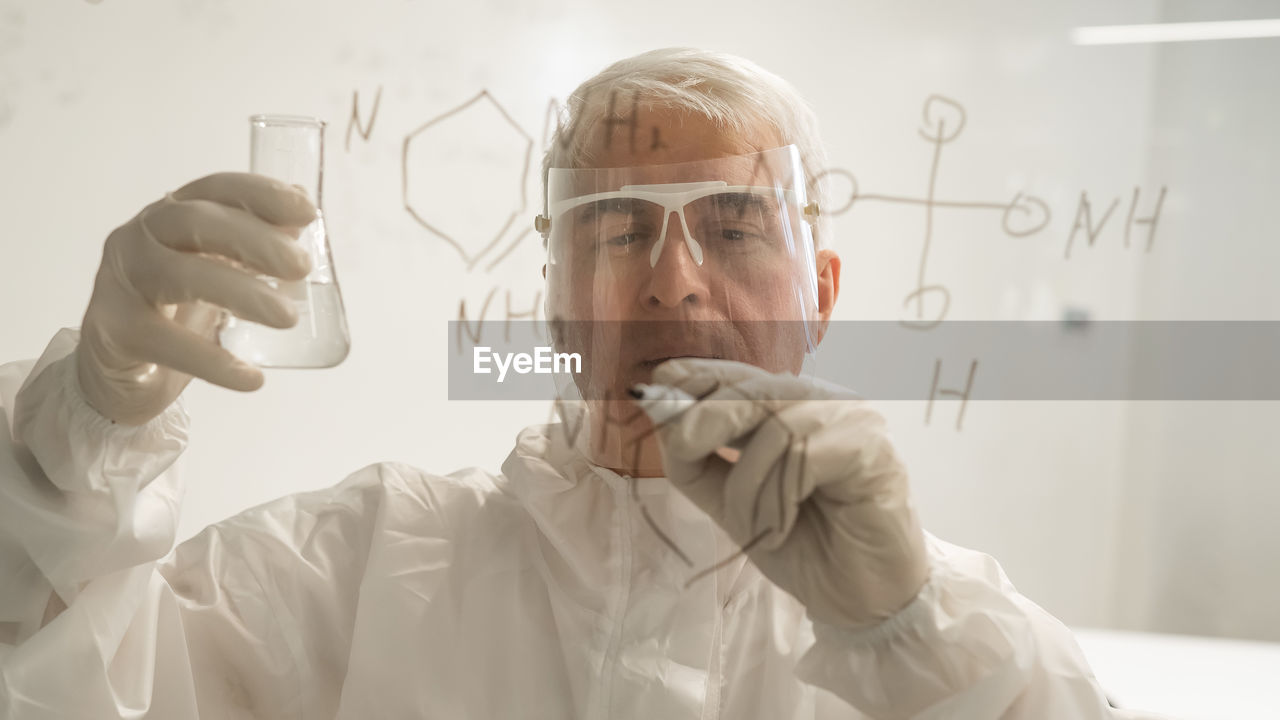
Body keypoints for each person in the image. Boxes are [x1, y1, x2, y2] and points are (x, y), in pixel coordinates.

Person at [0, 48, 1156, 719]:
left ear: (821, 292)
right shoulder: (362, 566)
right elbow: (69, 685)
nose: (671, 287)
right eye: (612, 229)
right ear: (554, 298)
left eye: (734, 225)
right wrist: (84, 434)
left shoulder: (948, 630)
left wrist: (909, 635)